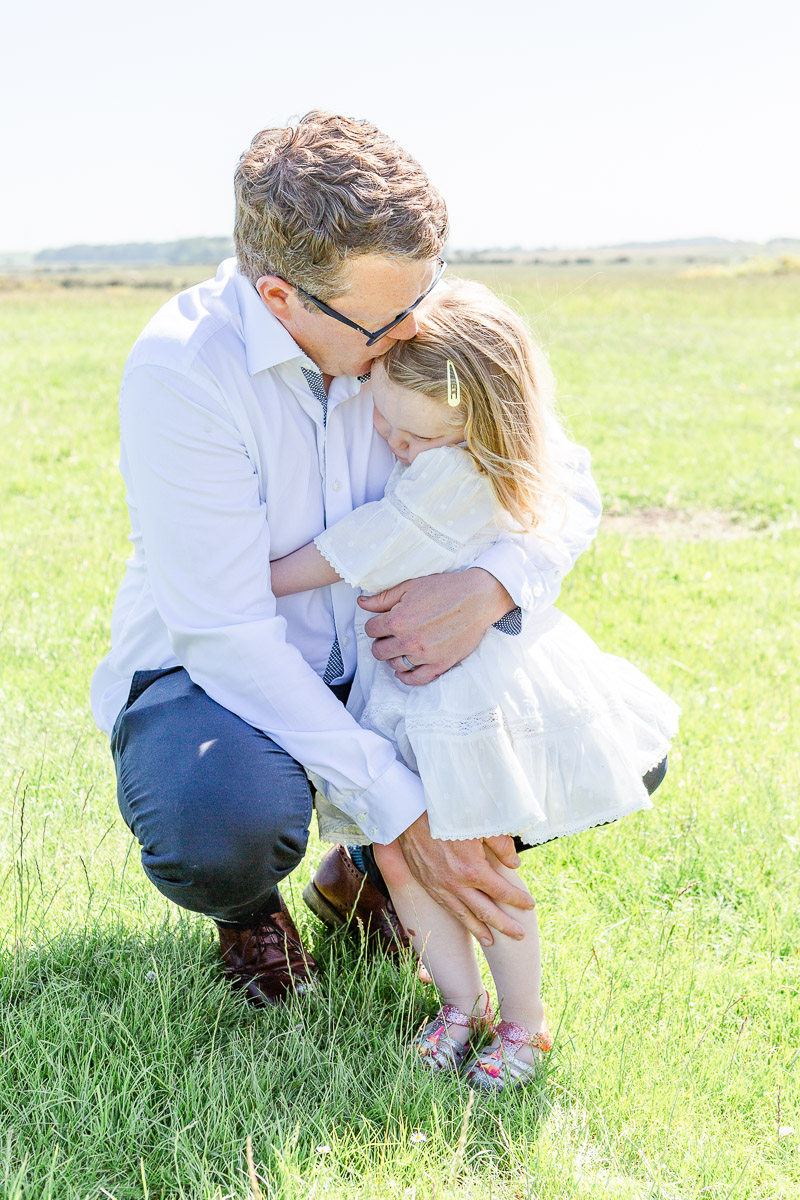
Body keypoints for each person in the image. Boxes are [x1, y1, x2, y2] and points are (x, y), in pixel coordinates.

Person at [91, 111, 605, 1007]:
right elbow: (225, 632)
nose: (416, 330)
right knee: (218, 819)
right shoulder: (181, 371)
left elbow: (562, 483)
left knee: (586, 736)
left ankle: (362, 884)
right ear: (282, 299)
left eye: (427, 292)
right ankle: (251, 908)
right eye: (388, 318)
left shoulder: (417, 316)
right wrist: (405, 809)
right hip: (215, 674)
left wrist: (494, 586)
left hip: (384, 661)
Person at [269, 280, 679, 1089]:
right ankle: (459, 1003)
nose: (390, 442)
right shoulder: (433, 415)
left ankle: (525, 1023)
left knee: (474, 847)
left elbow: (369, 544)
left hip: (465, 695)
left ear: (470, 423)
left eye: (410, 437)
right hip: (409, 688)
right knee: (398, 844)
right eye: (381, 421)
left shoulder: (456, 469)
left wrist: (259, 573)